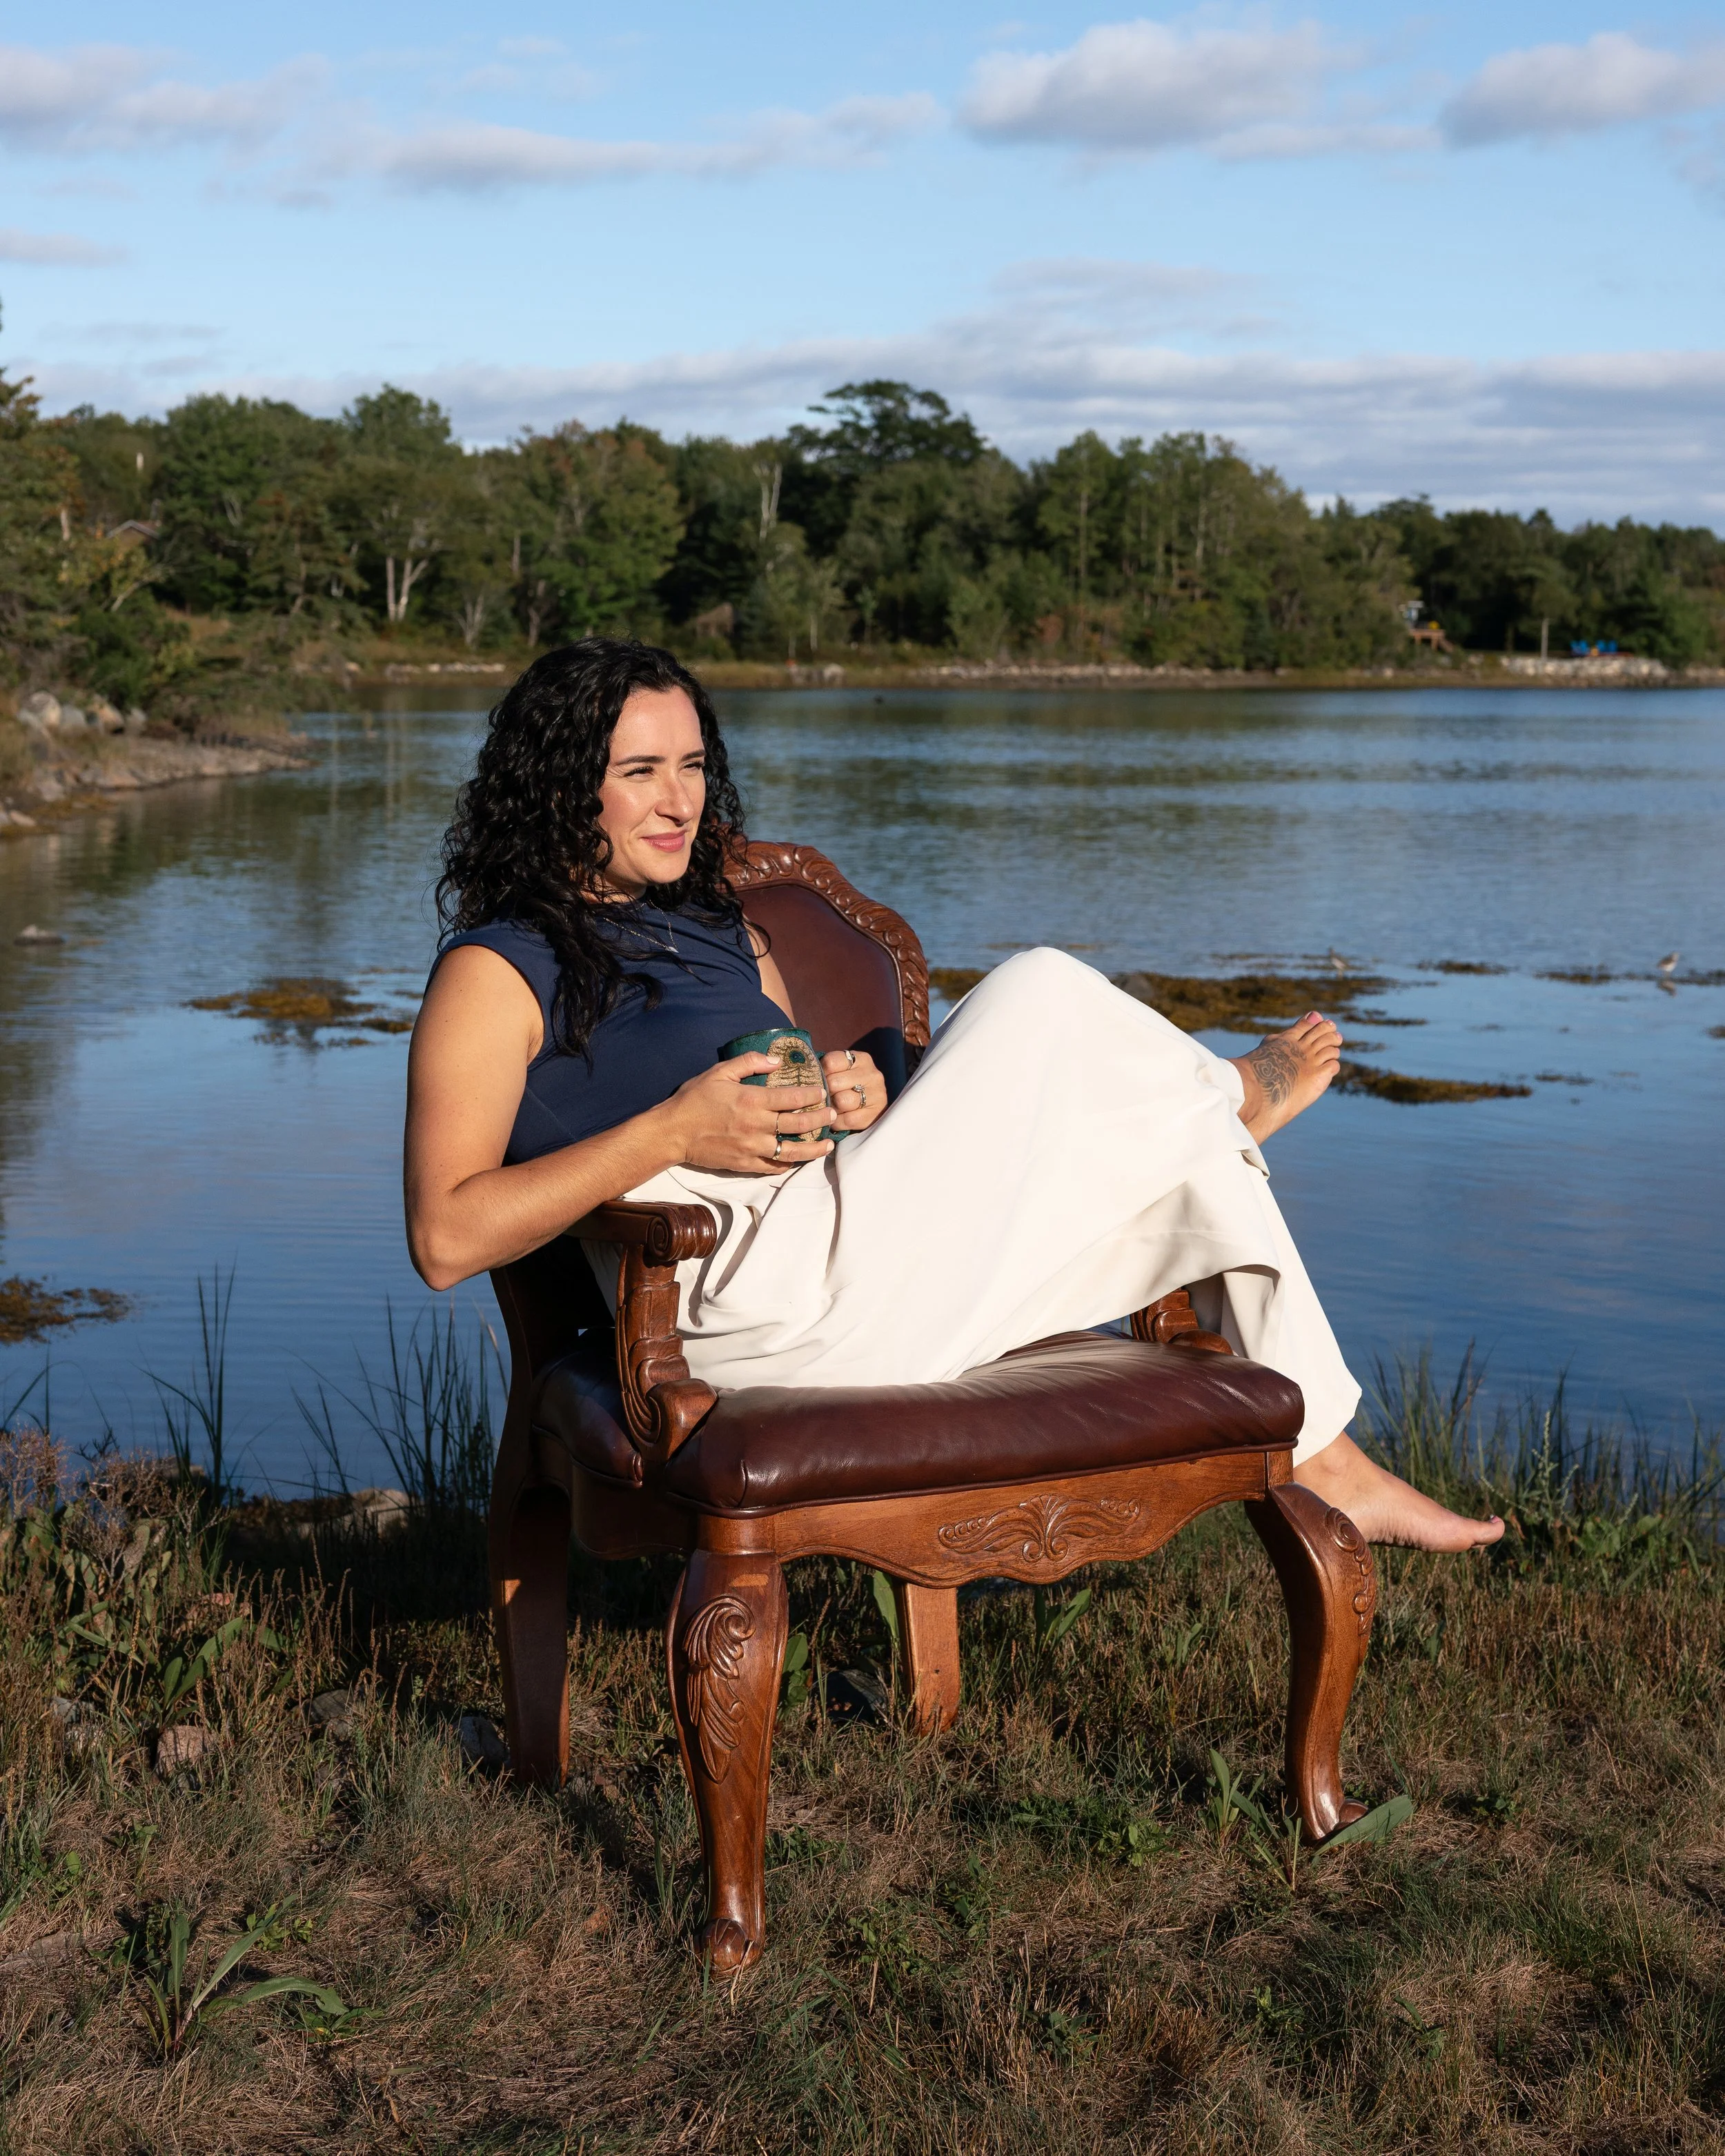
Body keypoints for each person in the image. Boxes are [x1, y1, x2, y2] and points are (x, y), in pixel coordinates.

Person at [406, 638, 1501, 1552]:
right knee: (1040, 990)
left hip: (847, 1248)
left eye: (693, 763)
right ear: (560, 786)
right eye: (639, 770)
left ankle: (1331, 1452)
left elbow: (793, 1106)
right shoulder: (497, 969)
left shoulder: (722, 932)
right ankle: (1221, 1098)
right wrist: (672, 1129)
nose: (679, 799)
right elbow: (447, 1238)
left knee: (1188, 1161)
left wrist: (849, 1100)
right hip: (727, 1301)